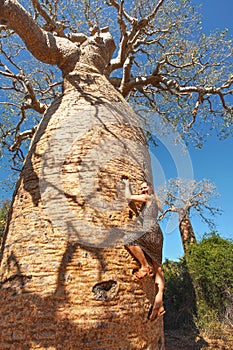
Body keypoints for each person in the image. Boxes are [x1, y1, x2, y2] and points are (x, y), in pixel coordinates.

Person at [122, 178, 165, 321]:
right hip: (158, 234)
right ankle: (160, 302)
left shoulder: (148, 197)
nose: (143, 190)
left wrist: (127, 185)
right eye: (141, 189)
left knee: (128, 239)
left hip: (150, 232)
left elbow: (128, 198)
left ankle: (144, 266)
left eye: (145, 188)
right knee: (158, 269)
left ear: (151, 189)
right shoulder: (155, 201)